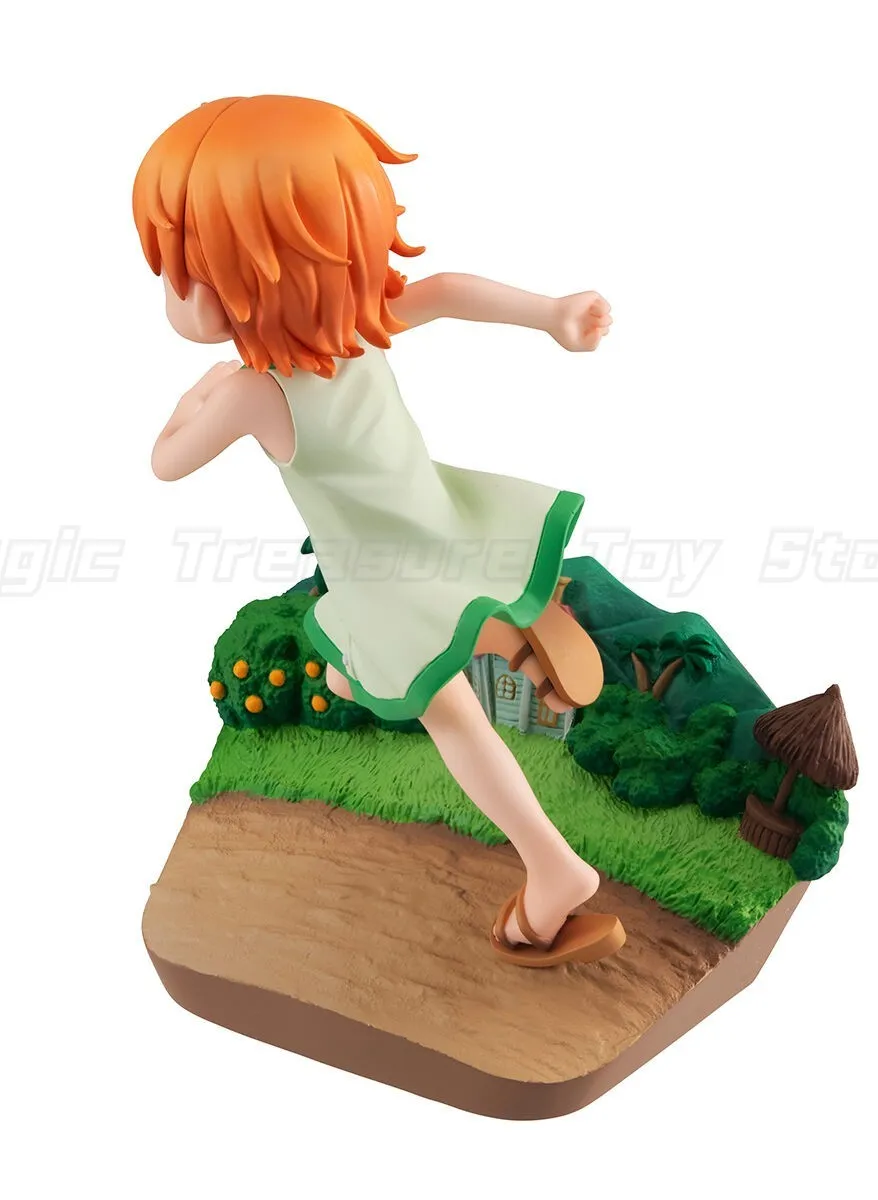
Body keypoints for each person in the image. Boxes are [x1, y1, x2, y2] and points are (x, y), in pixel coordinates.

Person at [134, 95, 624, 966]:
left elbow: (165, 463)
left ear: (225, 285)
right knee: (354, 673)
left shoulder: (253, 392)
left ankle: (554, 868)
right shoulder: (357, 324)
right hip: (435, 517)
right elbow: (448, 291)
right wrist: (552, 313)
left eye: (176, 269)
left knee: (448, 715)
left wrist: (195, 396)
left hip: (383, 576)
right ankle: (509, 623)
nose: (171, 288)